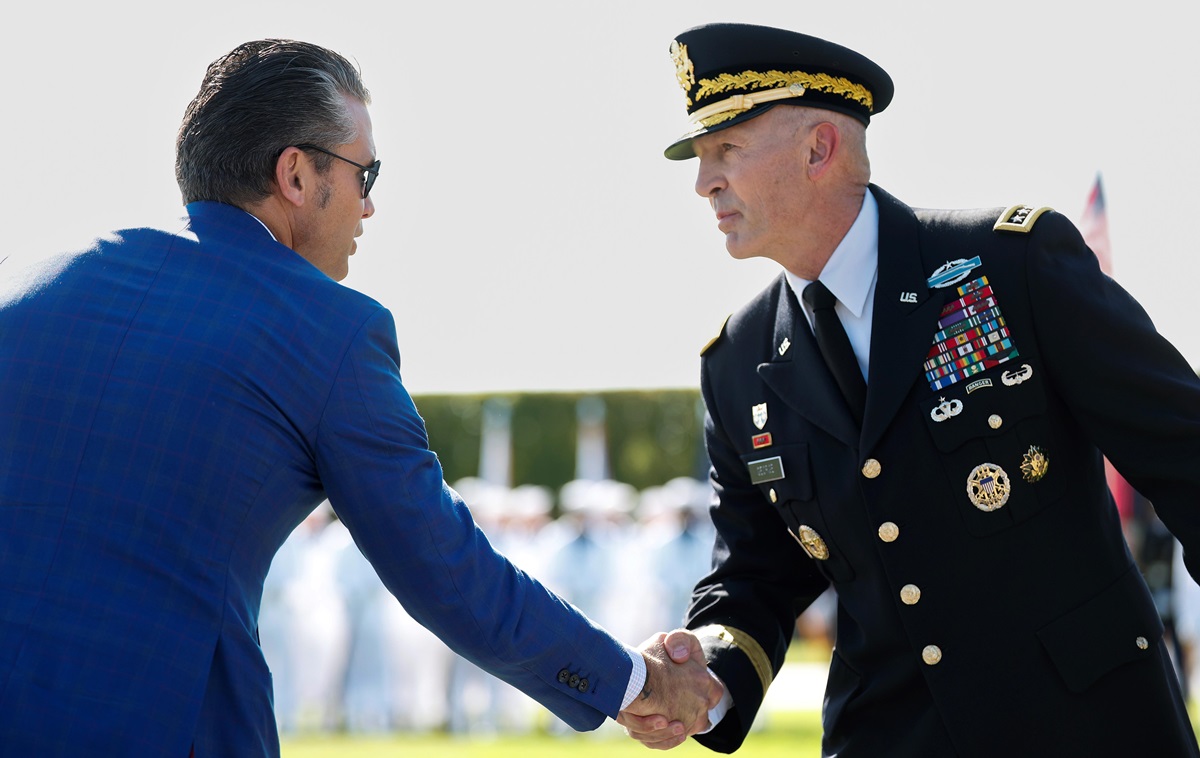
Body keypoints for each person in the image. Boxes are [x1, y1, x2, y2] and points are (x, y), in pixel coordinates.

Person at [0, 39, 720, 756]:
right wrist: (635, 682)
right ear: (294, 173)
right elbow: (445, 569)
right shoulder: (329, 331)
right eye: (364, 173)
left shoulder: (26, 288)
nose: (369, 205)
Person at [618, 22, 1200, 757]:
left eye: (726, 149)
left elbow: (1184, 454)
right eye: (700, 157)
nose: (703, 182)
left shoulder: (1009, 266)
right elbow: (755, 572)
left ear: (819, 149)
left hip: (1087, 729)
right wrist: (702, 667)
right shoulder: (737, 361)